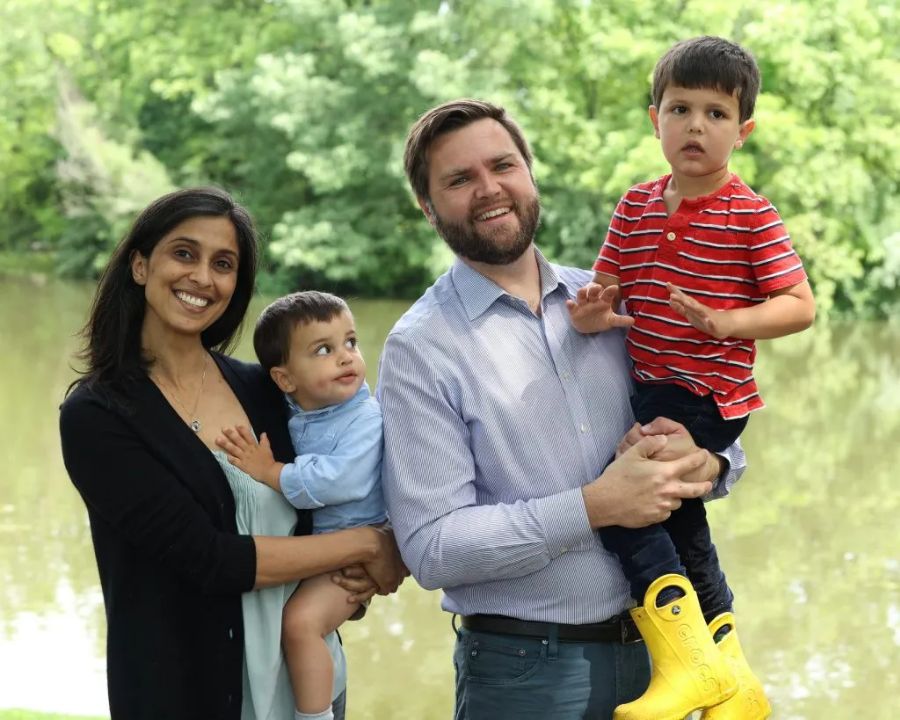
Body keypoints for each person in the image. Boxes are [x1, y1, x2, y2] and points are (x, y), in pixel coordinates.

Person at [377, 98, 746, 720]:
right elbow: (433, 547)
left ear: (530, 171)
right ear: (427, 205)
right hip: (527, 677)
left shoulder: (613, 300)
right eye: (459, 179)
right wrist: (594, 506)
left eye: (503, 165)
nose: (489, 189)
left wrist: (707, 461)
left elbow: (721, 421)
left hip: (675, 660)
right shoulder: (420, 348)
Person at [59, 187, 405, 720]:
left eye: (223, 264)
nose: (202, 277)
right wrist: (366, 543)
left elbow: (321, 517)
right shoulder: (97, 416)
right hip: (185, 695)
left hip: (305, 694)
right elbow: (210, 559)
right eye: (184, 253)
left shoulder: (265, 391)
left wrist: (370, 570)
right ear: (139, 264)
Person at [568, 36, 814, 719]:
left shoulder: (750, 214)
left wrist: (727, 324)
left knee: (626, 504)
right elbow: (605, 295)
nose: (696, 125)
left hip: (709, 392)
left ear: (743, 130)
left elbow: (800, 306)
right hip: (651, 386)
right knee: (682, 525)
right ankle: (733, 677)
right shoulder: (636, 206)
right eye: (681, 108)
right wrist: (591, 315)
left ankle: (686, 664)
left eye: (715, 112)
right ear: (656, 120)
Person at [216, 290, 388, 720]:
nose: (346, 357)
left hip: (347, 558)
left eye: (351, 342)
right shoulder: (296, 412)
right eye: (324, 350)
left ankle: (315, 715)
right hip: (324, 552)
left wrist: (272, 472)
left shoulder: (366, 417)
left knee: (300, 624)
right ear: (285, 380)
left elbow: (341, 480)